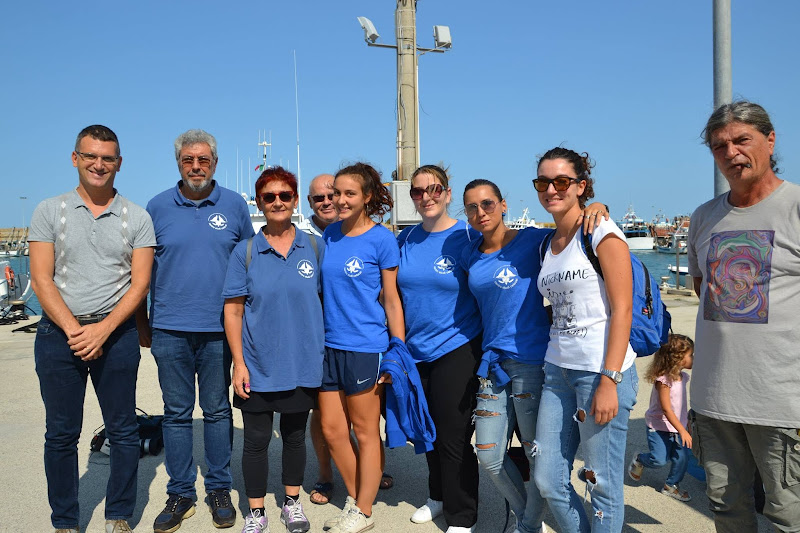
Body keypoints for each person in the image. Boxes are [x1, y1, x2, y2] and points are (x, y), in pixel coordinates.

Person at [29, 125, 156, 533]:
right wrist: (75, 330)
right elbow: (42, 278)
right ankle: (65, 520)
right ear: (75, 158)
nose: (99, 165)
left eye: (107, 158)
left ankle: (118, 514)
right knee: (61, 434)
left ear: (119, 163)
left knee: (123, 431)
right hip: (57, 336)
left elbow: (140, 284)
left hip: (115, 337)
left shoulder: (137, 217)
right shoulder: (50, 211)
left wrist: (103, 330)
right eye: (91, 156)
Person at [688, 100, 800, 532]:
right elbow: (703, 292)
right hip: (714, 400)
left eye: (741, 140)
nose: (731, 152)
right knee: (726, 509)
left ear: (770, 141)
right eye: (719, 146)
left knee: (789, 515)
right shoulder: (704, 217)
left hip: (782, 403)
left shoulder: (793, 206)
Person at [140, 129, 254, 532]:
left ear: (214, 163)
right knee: (175, 414)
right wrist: (143, 323)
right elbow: (139, 272)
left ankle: (219, 488)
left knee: (218, 410)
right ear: (179, 164)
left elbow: (250, 265)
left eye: (203, 159)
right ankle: (181, 492)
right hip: (169, 328)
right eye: (188, 160)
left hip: (220, 330)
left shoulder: (236, 206)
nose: (196, 166)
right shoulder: (156, 207)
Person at [534, 147, 637, 533]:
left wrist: (610, 380)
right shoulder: (547, 243)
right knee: (548, 479)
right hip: (557, 370)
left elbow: (622, 309)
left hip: (599, 372)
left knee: (603, 485)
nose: (551, 189)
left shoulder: (602, 232)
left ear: (580, 185)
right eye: (543, 182)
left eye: (561, 181)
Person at [223, 166, 324, 533]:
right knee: (256, 441)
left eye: (285, 195)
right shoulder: (246, 251)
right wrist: (239, 363)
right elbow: (233, 310)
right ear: (259, 203)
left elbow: (330, 300)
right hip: (258, 363)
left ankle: (292, 503)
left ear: (295, 200)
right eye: (269, 197)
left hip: (303, 363)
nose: (278, 202)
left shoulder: (314, 246)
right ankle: (255, 511)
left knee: (296, 437)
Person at [318, 162, 405, 533]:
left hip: (365, 347)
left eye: (349, 193)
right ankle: (359, 500)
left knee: (366, 431)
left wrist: (397, 347)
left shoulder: (382, 239)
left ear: (367, 197)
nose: (339, 199)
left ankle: (363, 509)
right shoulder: (330, 236)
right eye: (336, 193)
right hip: (327, 346)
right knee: (333, 430)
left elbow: (391, 299)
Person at [397, 165, 483, 533]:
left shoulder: (468, 235)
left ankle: (462, 514)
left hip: (456, 346)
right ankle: (438, 496)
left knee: (454, 435)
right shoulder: (405, 239)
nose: (426, 197)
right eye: (418, 191)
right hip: (415, 351)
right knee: (426, 430)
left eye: (434, 189)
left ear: (448, 194)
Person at [628, 334, 694, 502]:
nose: (693, 358)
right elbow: (667, 409)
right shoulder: (663, 381)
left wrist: (687, 425)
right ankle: (640, 459)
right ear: (678, 358)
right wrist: (682, 429)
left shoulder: (683, 377)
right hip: (659, 427)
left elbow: (681, 406)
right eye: (690, 355)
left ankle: (671, 485)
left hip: (678, 426)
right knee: (659, 460)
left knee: (682, 457)